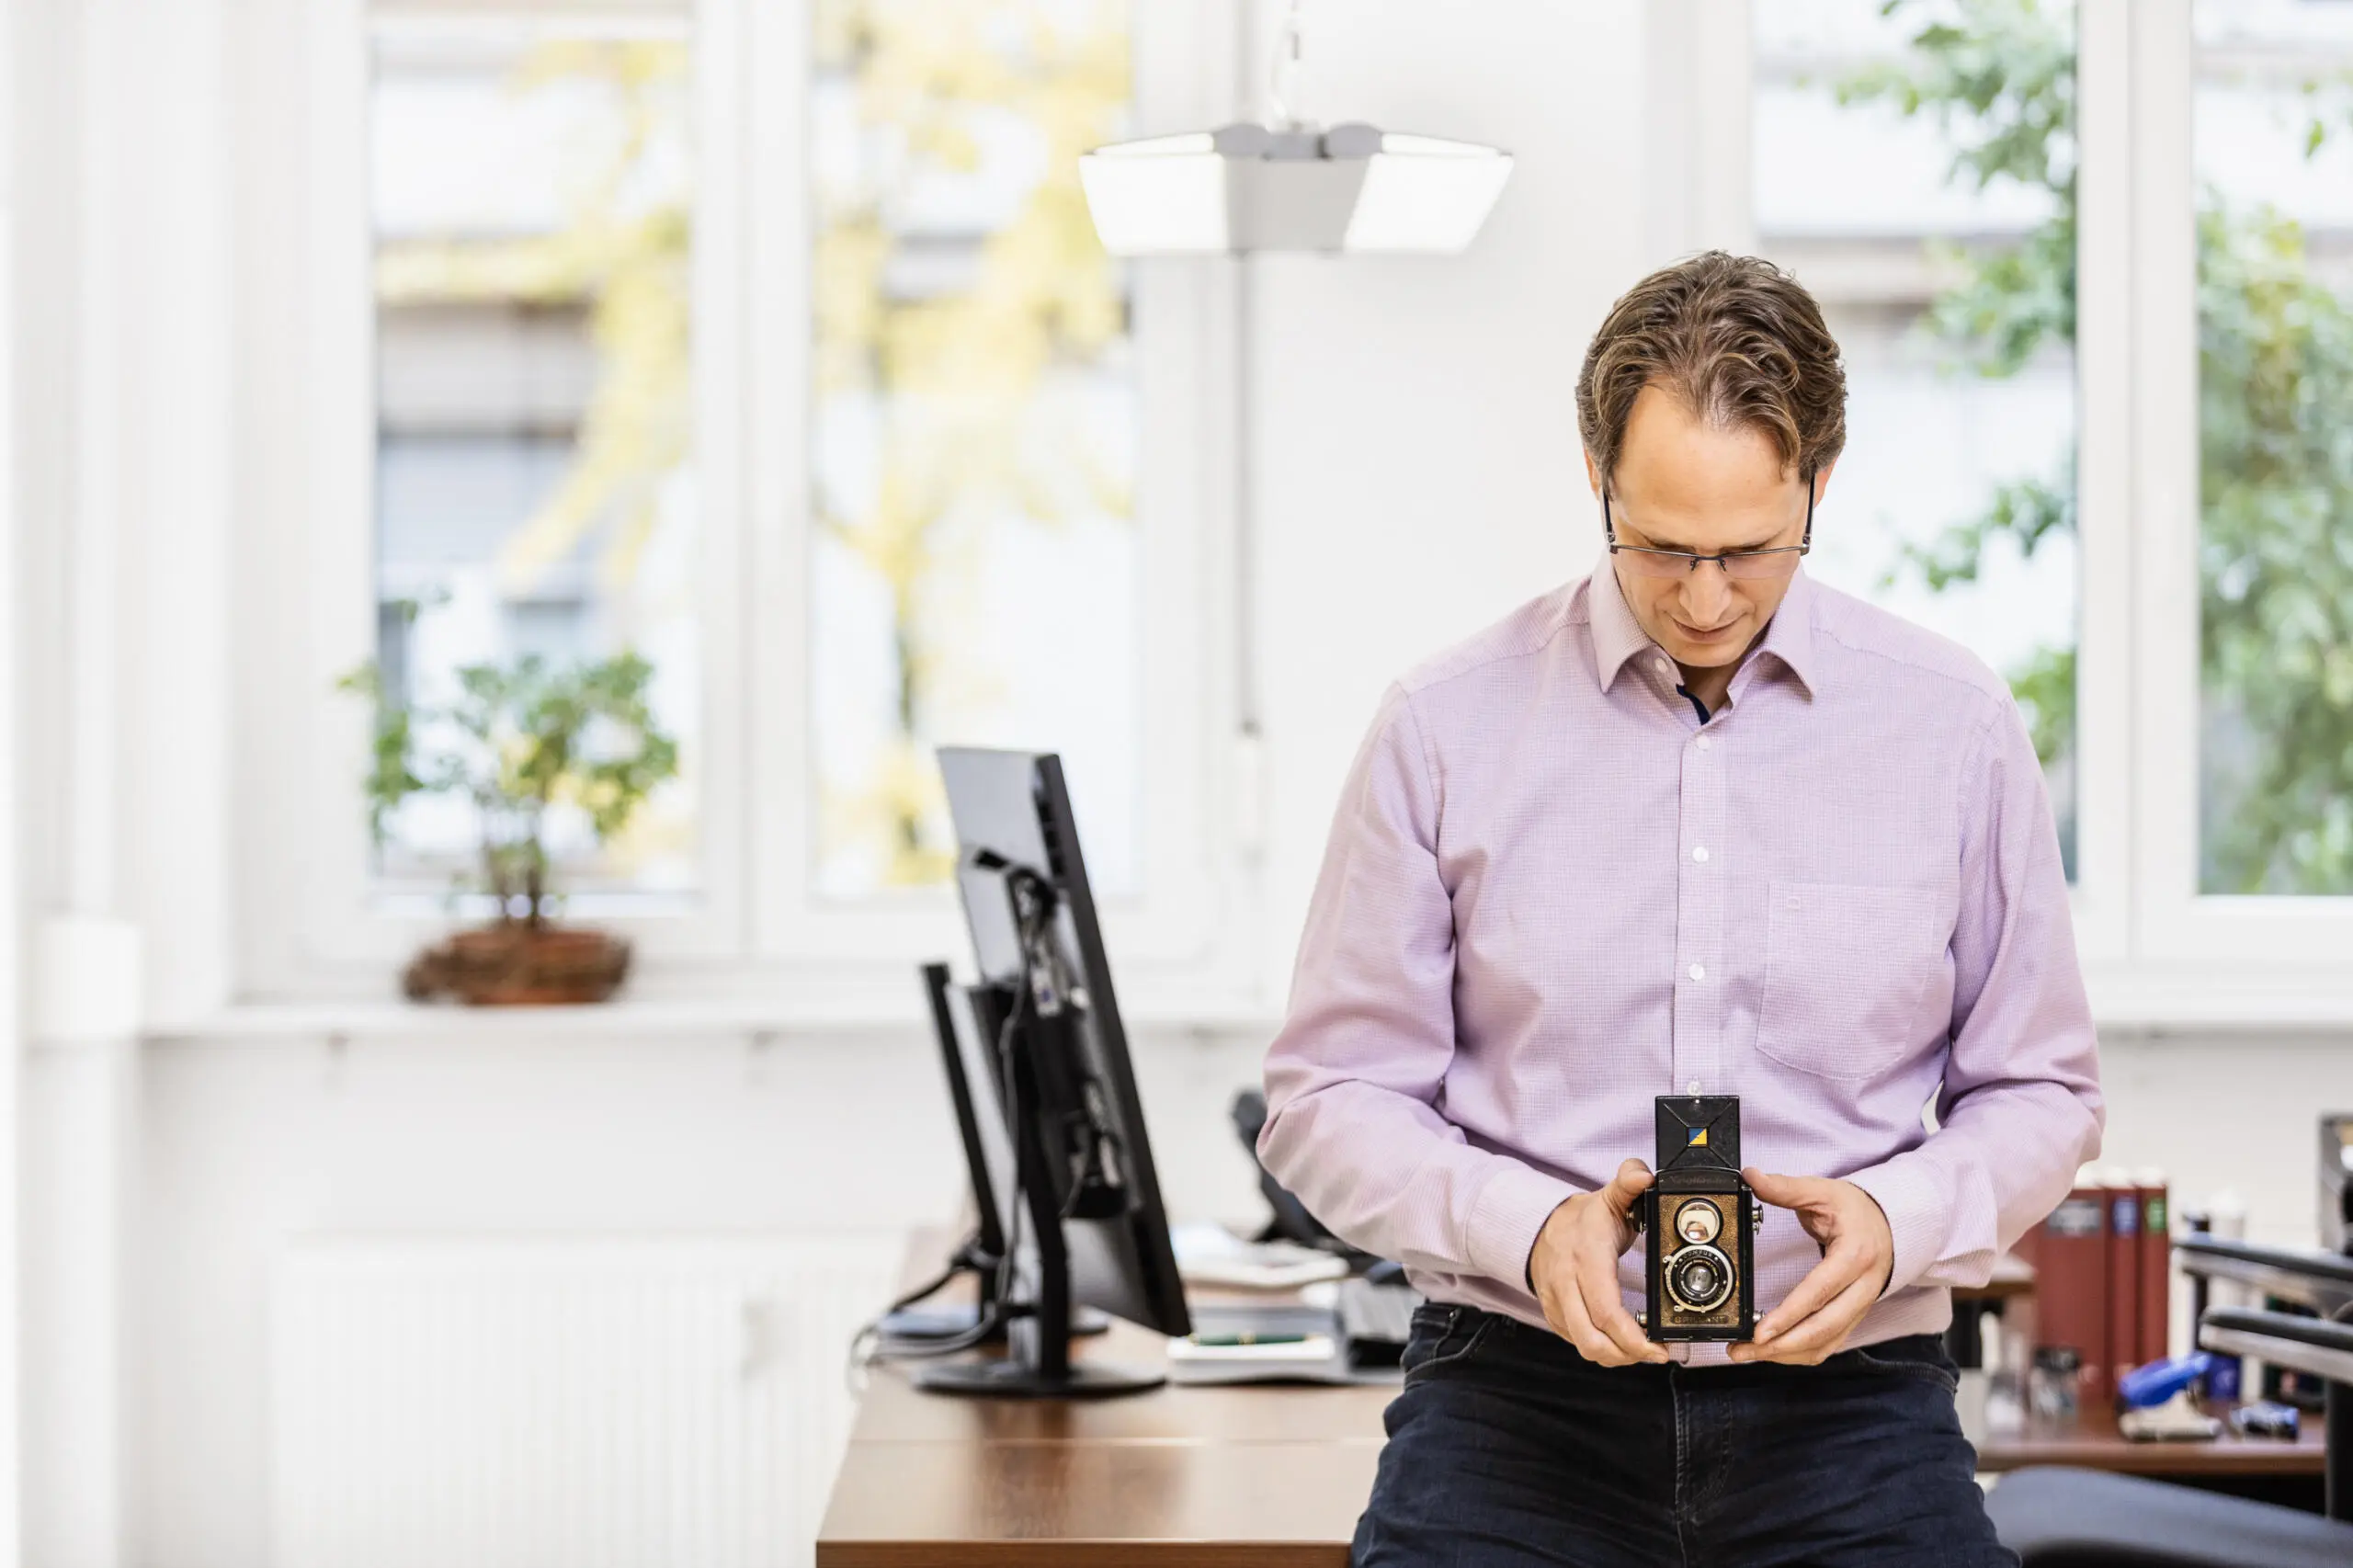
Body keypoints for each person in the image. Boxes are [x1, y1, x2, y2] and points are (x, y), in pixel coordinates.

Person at [1256, 251, 2103, 1567]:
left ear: (1819, 482)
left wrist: (1900, 1220)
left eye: (1750, 552)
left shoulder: (1955, 729)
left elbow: (2045, 1089)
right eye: (1661, 548)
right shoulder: (1444, 726)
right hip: (1513, 1400)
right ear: (1596, 478)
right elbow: (1324, 1096)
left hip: (1851, 1414)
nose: (1706, 600)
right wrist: (1524, 1229)